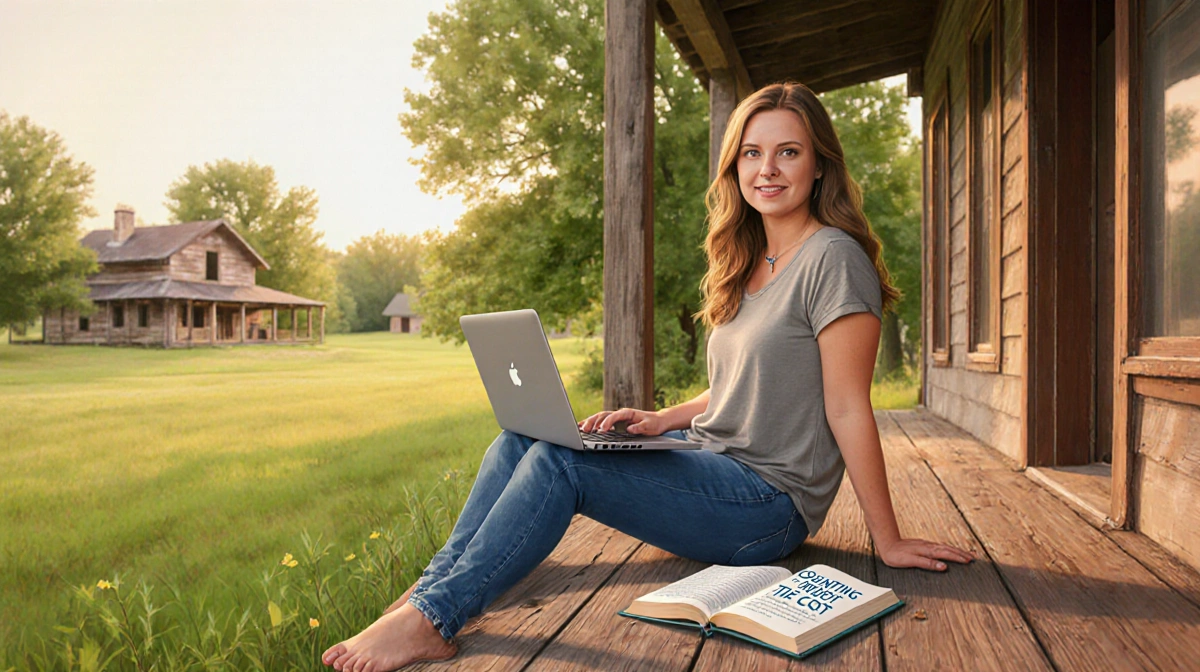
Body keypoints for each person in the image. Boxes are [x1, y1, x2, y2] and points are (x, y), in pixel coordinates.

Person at [321, 81, 974, 672]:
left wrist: (886, 540)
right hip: (712, 459)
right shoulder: (750, 259)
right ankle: (426, 597)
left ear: (819, 163)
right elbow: (755, 384)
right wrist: (662, 421)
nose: (766, 169)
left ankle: (433, 618)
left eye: (787, 153)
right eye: (750, 153)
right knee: (518, 437)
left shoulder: (834, 258)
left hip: (769, 506)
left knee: (561, 463)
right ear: (734, 166)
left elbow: (847, 406)